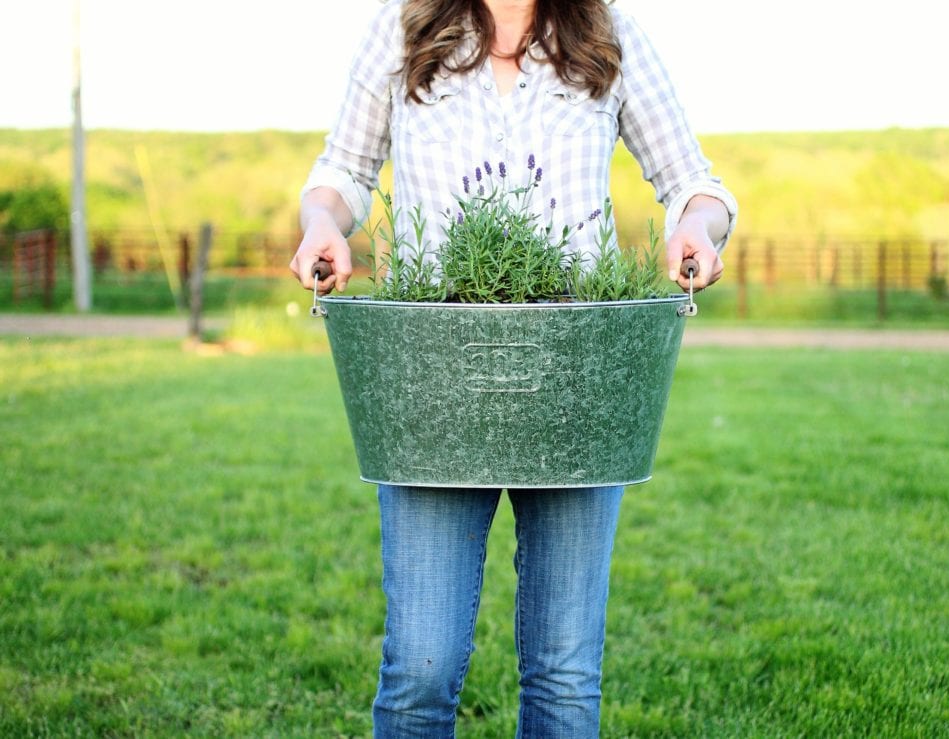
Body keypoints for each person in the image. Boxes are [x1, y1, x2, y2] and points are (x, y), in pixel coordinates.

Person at [289, 0, 737, 735]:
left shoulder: (605, 29)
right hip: (432, 380)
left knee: (563, 673)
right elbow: (343, 168)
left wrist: (694, 223)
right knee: (421, 670)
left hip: (575, 384)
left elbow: (694, 179)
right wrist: (322, 225)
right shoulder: (402, 25)